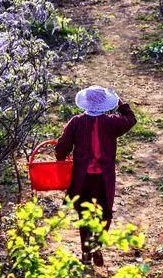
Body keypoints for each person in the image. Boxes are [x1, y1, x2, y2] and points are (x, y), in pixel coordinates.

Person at [55, 85, 137, 266]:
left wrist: (61, 157)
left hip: (82, 179)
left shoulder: (76, 122)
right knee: (104, 213)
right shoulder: (111, 123)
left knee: (84, 215)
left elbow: (62, 147)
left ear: (86, 103)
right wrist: (121, 104)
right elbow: (130, 119)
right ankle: (97, 246)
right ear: (105, 104)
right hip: (103, 178)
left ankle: (85, 254)